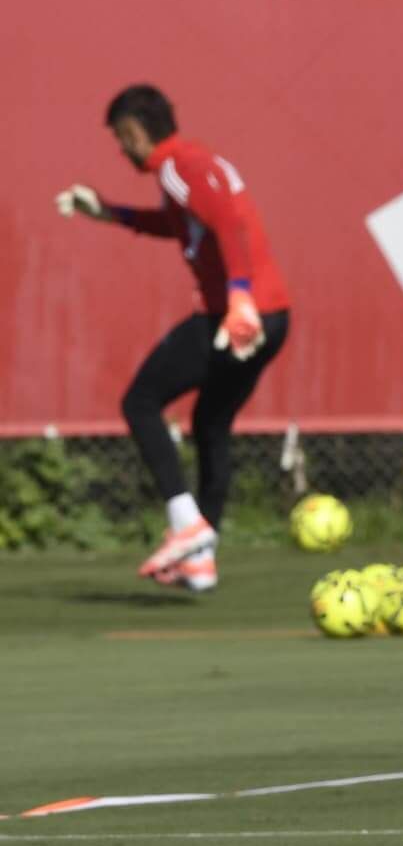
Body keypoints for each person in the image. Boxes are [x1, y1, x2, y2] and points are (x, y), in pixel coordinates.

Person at [55, 85, 291, 591]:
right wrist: (109, 211)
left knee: (140, 402)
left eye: (122, 138)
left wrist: (241, 299)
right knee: (210, 422)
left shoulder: (178, 166)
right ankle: (199, 559)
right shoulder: (189, 165)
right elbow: (182, 224)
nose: (122, 149)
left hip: (237, 314)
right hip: (271, 317)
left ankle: (188, 527)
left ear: (136, 131)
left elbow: (229, 223)